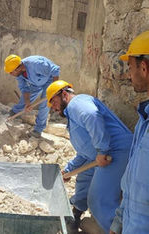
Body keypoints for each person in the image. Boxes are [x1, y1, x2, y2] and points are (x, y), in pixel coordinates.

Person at [46, 80, 133, 233]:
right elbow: (86, 152)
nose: (53, 108)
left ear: (64, 94)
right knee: (84, 177)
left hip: (115, 152)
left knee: (98, 200)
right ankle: (76, 214)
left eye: (53, 102)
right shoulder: (72, 115)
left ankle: (116, 230)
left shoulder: (76, 103)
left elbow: (92, 115)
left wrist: (102, 150)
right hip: (103, 154)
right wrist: (69, 170)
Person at [110, 30, 149, 234]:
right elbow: (133, 181)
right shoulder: (144, 119)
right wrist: (119, 222)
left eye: (130, 67)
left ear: (144, 67)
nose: (128, 75)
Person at [4, 54, 60, 138]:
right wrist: (27, 103)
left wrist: (54, 88)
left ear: (18, 68)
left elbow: (55, 70)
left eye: (11, 72)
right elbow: (24, 89)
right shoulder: (19, 74)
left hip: (49, 80)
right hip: (35, 83)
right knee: (25, 99)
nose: (10, 74)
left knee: (44, 105)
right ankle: (15, 112)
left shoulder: (35, 64)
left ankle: (38, 129)